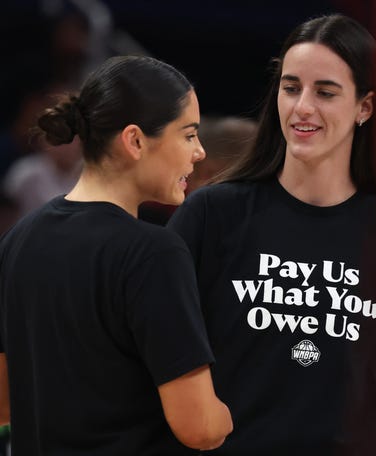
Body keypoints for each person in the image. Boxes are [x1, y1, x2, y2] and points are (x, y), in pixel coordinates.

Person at [167, 14, 376, 456]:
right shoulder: (211, 214)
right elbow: (157, 366)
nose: (302, 107)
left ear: (365, 108)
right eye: (291, 87)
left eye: (326, 92)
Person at [0, 55, 232, 455]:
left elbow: (4, 403)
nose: (199, 152)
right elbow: (201, 429)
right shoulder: (154, 252)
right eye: (189, 134)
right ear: (135, 141)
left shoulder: (18, 237)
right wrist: (234, 409)